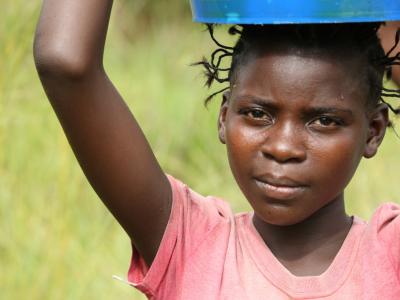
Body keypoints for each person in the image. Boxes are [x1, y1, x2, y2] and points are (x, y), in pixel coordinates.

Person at [33, 1, 400, 299]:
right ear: (224, 117)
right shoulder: (190, 244)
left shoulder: (389, 255)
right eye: (258, 114)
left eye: (324, 121)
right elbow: (65, 62)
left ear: (373, 131)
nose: (284, 148)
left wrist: (382, 18)